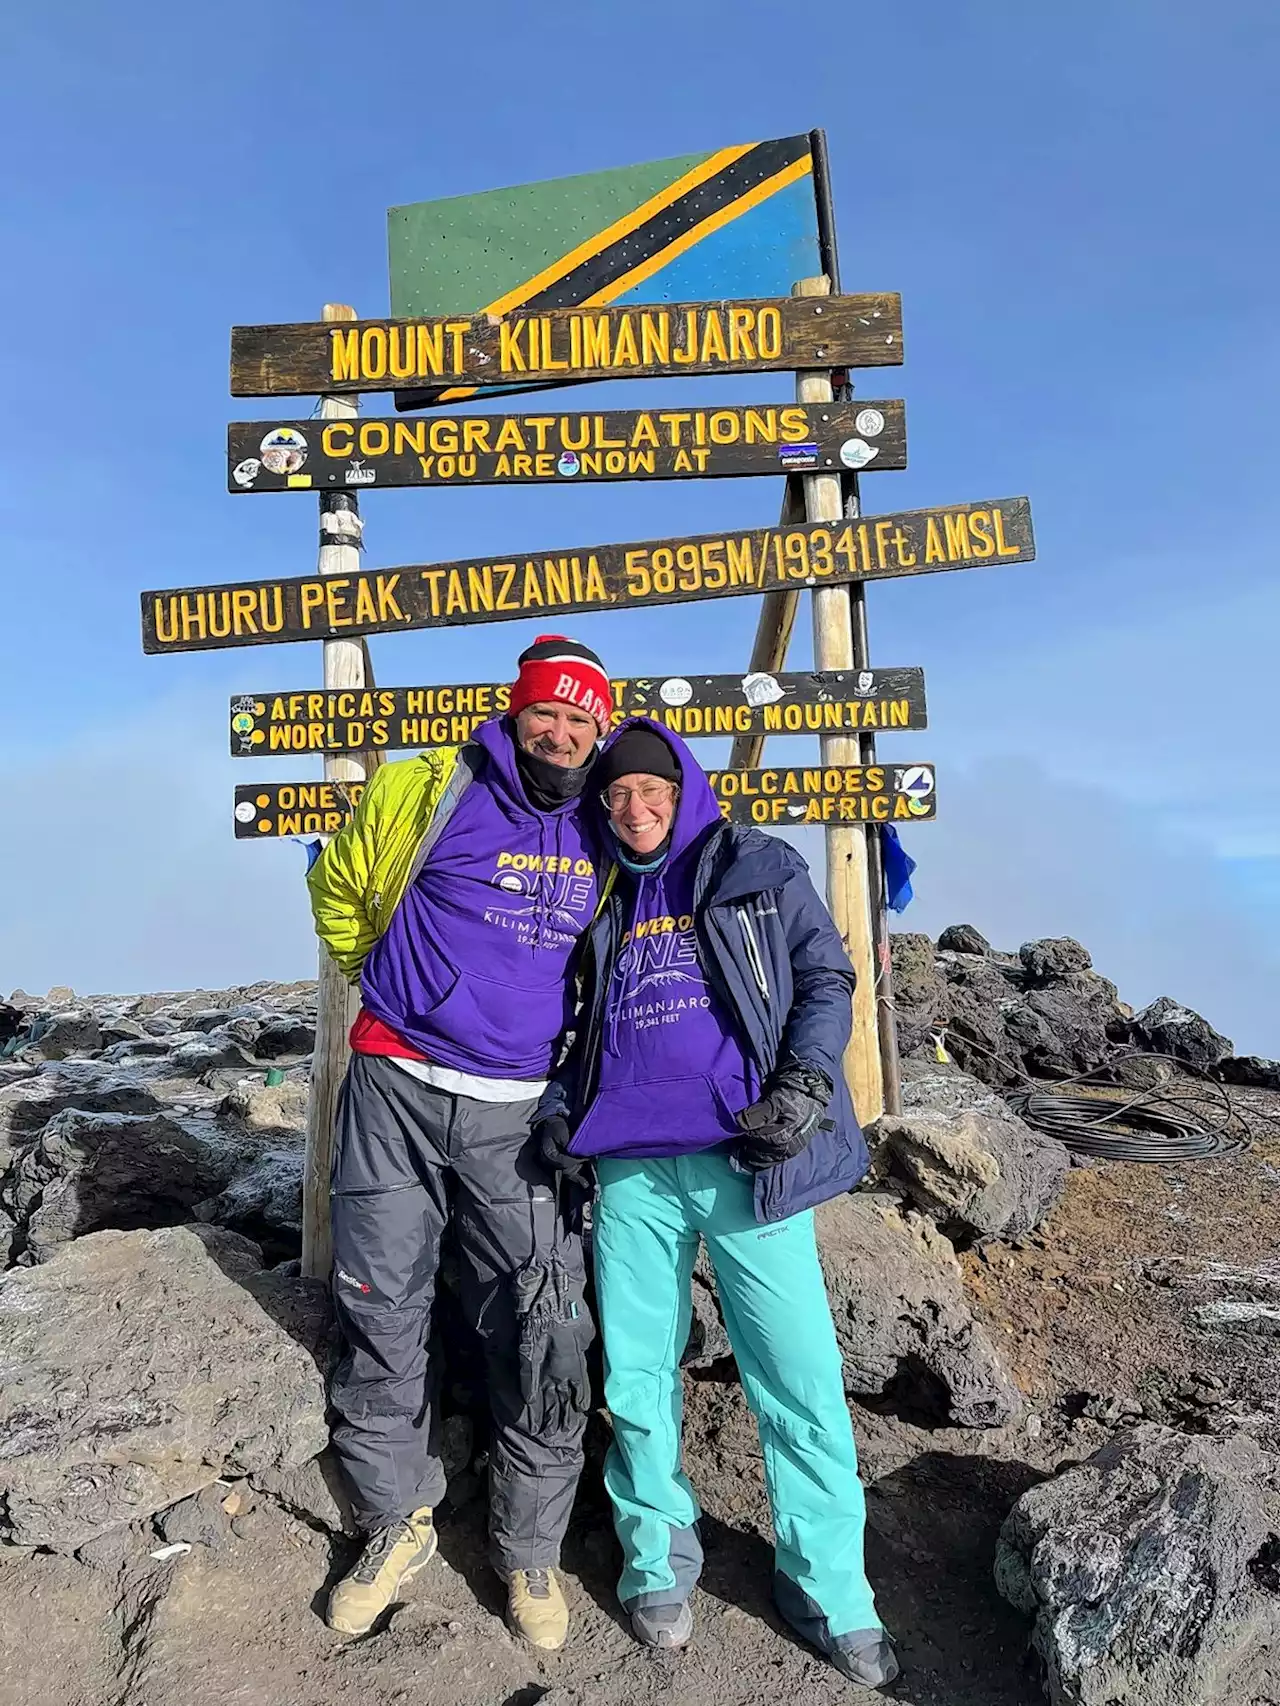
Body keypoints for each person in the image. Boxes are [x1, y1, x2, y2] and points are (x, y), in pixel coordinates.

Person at [534, 720, 900, 1691]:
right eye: (615, 796)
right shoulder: (602, 888)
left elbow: (824, 975)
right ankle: (655, 1554)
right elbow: (577, 1022)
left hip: (750, 1158)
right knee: (636, 1371)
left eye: (649, 790)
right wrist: (558, 1111)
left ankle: (828, 1585)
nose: (634, 808)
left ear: (682, 786)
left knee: (797, 1372)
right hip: (628, 1170)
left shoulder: (753, 861)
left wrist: (806, 1080)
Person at [307, 635, 613, 1649]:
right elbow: (340, 883)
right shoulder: (430, 784)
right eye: (546, 711)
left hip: (515, 1111)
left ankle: (527, 1548)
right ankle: (398, 1522)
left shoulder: (603, 822)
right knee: (377, 1307)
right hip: (393, 1086)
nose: (560, 730)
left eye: (580, 718)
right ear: (513, 709)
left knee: (543, 1321)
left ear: (597, 730)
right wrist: (381, 981)